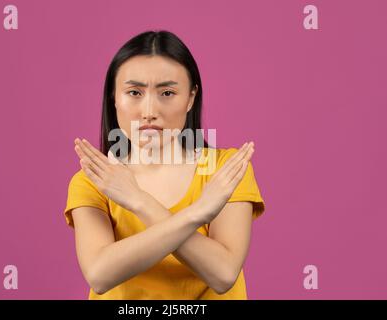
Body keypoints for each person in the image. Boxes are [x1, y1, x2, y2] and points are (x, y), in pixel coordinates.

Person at [63, 30, 265, 300]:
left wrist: (137, 200)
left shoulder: (224, 170)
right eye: (134, 92)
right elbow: (100, 274)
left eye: (167, 93)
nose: (149, 110)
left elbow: (223, 273)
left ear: (191, 98)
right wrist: (198, 213)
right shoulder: (93, 180)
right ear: (114, 98)